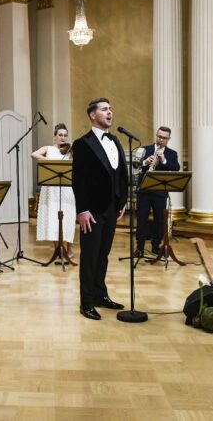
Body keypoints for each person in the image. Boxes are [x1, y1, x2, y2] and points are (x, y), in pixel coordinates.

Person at [71, 98, 128, 321]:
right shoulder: (82, 144)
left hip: (112, 207)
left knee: (103, 254)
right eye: (104, 109)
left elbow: (120, 173)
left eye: (110, 109)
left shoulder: (115, 140)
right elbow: (79, 180)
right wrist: (82, 210)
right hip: (92, 210)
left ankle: (99, 294)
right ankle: (86, 302)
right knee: (90, 256)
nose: (109, 112)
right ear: (92, 115)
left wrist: (122, 201)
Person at [32, 123, 77, 258]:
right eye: (60, 135)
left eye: (65, 135)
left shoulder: (69, 151)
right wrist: (48, 161)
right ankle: (58, 248)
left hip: (66, 188)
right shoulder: (49, 149)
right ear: (55, 137)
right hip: (51, 189)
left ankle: (70, 248)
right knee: (52, 217)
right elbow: (34, 154)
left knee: (68, 217)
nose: (63, 138)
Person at [135, 126, 180, 255]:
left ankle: (156, 245)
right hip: (144, 190)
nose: (161, 140)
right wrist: (144, 162)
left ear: (168, 139)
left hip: (160, 192)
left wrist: (163, 160)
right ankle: (140, 248)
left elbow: (176, 168)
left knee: (159, 220)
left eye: (164, 138)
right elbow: (136, 165)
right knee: (141, 219)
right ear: (156, 135)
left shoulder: (172, 154)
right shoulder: (145, 149)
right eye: (159, 136)